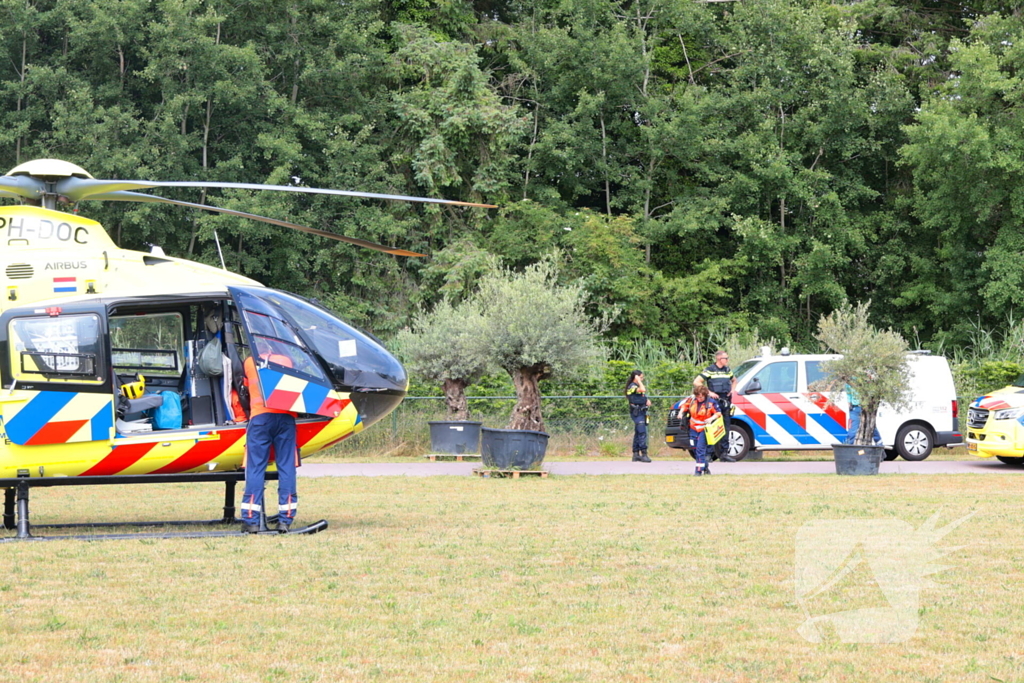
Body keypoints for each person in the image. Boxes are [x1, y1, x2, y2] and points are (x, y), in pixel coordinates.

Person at [241, 339, 300, 533]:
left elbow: (244, 389)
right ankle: (285, 519)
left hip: (260, 419)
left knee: (255, 468)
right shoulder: (287, 360)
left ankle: (251, 521)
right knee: (287, 467)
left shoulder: (250, 362)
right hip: (285, 419)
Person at [695, 350, 737, 460]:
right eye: (726, 358)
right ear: (719, 359)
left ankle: (724, 454)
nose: (727, 360)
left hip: (725, 401)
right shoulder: (710, 370)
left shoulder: (727, 370)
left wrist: (732, 390)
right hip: (714, 402)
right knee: (712, 427)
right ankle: (709, 454)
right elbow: (697, 382)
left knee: (725, 427)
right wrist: (709, 392)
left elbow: (734, 380)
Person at [681, 383, 719, 476]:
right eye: (698, 396)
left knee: (700, 449)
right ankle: (705, 467)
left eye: (701, 397)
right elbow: (684, 406)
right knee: (694, 449)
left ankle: (698, 471)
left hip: (704, 429)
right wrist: (681, 413)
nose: (699, 399)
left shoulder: (711, 402)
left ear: (705, 395)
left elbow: (718, 413)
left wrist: (710, 419)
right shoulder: (692, 400)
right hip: (693, 428)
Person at [625, 370, 652, 462]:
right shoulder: (632, 386)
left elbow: (641, 394)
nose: (642, 379)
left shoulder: (636, 386)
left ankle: (636, 454)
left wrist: (646, 400)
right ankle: (644, 453)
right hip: (637, 412)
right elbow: (643, 389)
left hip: (642, 411)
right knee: (642, 432)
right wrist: (638, 381)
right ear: (636, 377)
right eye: (641, 377)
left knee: (638, 432)